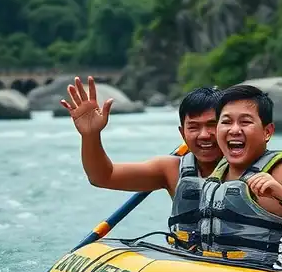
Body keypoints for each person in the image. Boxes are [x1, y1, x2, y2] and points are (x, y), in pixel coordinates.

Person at [167, 84, 282, 266]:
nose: (234, 130)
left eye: (245, 122)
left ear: (267, 132)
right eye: (226, 122)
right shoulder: (217, 173)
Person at [60, 76, 223, 197]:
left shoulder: (246, 168)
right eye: (193, 127)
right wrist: (91, 135)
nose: (203, 135)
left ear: (227, 126)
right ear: (182, 134)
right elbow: (102, 177)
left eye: (212, 125)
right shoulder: (170, 170)